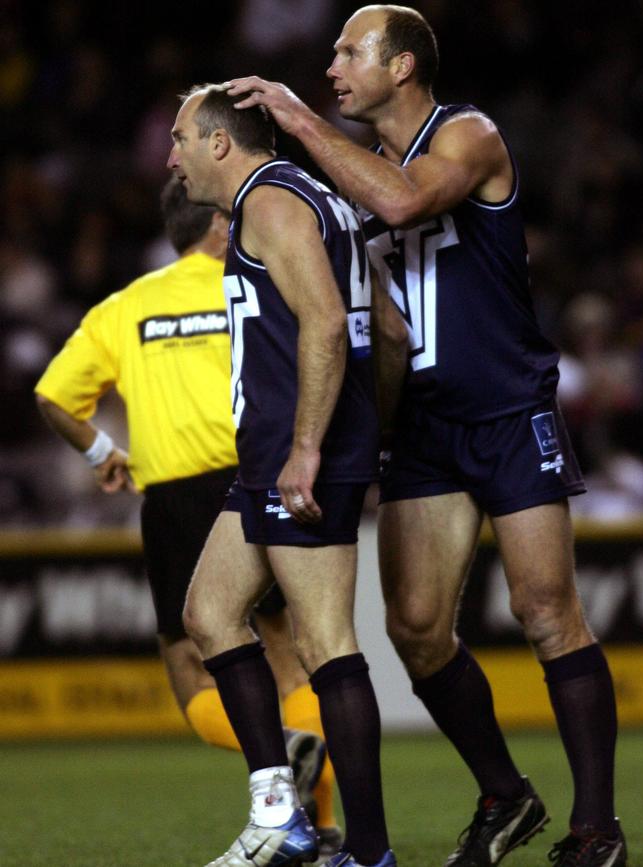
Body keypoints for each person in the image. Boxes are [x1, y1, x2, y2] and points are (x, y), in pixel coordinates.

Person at [224, 6, 626, 867]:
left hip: (507, 408)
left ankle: (597, 826)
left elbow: (404, 198)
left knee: (546, 611)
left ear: (402, 66)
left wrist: (295, 119)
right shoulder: (353, 169)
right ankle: (505, 792)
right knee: (414, 627)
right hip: (425, 426)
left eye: (348, 51)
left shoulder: (468, 134)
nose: (331, 65)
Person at [34, 177, 343, 861]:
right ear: (218, 229)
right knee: (290, 655)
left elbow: (53, 395)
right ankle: (318, 824)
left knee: (191, 667)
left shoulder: (125, 306)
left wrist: (100, 451)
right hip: (254, 478)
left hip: (174, 496)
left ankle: (277, 751)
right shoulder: (251, 287)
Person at [167, 83, 396, 867]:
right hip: (278, 450)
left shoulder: (270, 202)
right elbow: (383, 327)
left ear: (221, 143)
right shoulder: (307, 196)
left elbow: (329, 321)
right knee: (209, 612)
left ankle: (367, 852)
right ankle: (281, 812)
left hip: (300, 453)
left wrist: (310, 448)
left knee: (327, 642)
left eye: (181, 138)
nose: (172, 156)